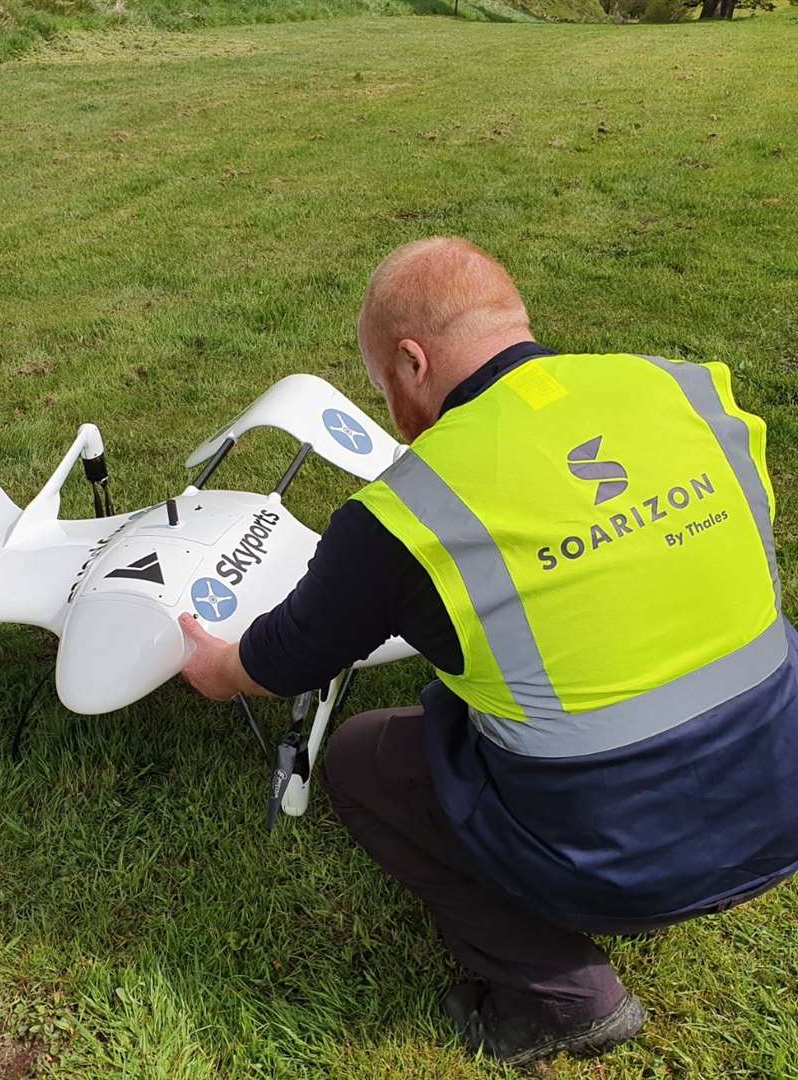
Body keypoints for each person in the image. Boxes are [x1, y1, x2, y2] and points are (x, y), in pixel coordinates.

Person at [177, 236, 798, 1066]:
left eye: (385, 385)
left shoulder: (407, 512)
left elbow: (286, 659)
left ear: (412, 360)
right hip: (785, 789)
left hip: (624, 863)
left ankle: (562, 996)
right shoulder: (685, 388)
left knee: (363, 760)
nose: (395, 410)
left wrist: (209, 665)